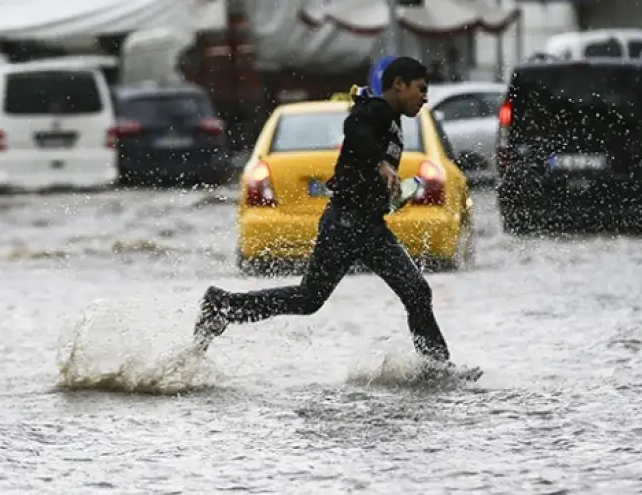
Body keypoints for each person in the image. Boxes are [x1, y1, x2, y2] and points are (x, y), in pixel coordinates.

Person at [192, 56, 455, 368]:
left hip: (365, 223)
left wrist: (390, 191)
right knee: (321, 298)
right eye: (421, 89)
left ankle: (223, 307)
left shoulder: (388, 117)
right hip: (347, 222)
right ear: (399, 85)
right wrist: (381, 163)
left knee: (403, 293)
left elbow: (361, 158)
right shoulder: (377, 111)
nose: (425, 98)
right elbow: (354, 127)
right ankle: (221, 307)